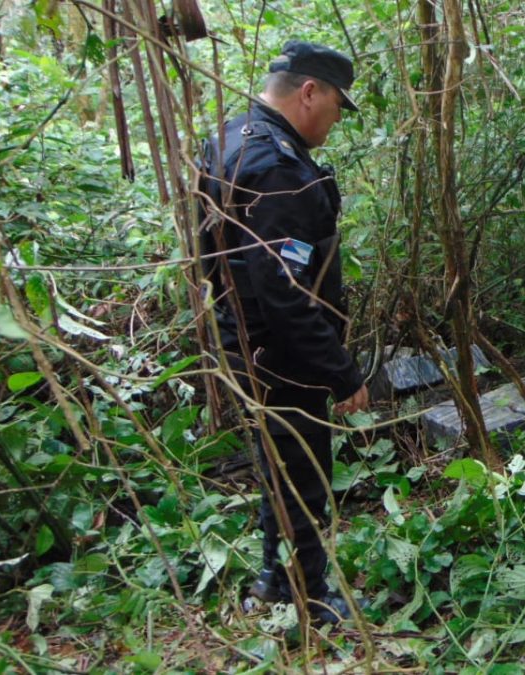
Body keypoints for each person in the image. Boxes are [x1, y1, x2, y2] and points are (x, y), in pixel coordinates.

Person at [196, 40, 368, 624]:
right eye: (338, 106)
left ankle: (277, 577)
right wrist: (340, 371)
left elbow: (212, 259)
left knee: (279, 468)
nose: (337, 119)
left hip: (244, 342)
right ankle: (308, 597)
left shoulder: (228, 138)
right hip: (280, 355)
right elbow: (285, 292)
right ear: (309, 92)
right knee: (302, 473)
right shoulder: (277, 169)